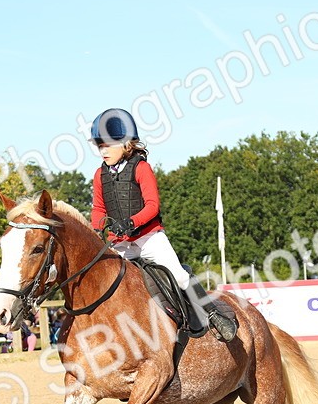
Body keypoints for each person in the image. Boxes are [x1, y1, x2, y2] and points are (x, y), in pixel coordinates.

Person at [88, 108, 236, 342]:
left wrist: (131, 222)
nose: (102, 151)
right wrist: (98, 228)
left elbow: (152, 206)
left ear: (125, 144)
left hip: (148, 237)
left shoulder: (141, 168)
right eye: (99, 146)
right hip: (121, 244)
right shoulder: (99, 175)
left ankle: (214, 315)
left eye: (107, 145)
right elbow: (98, 208)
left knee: (179, 276)